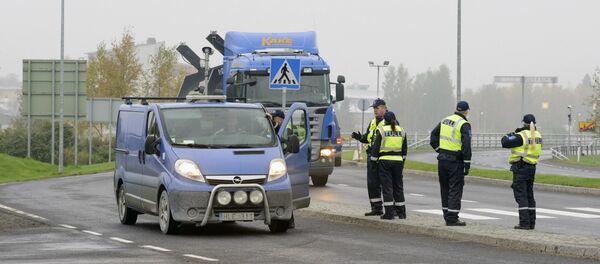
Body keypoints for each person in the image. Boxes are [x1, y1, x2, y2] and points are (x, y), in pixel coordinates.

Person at [430, 101, 472, 226]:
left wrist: (439, 150)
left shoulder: (445, 120)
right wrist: (467, 163)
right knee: (455, 189)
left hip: (442, 160)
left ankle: (446, 215)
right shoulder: (464, 124)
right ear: (466, 111)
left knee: (445, 188)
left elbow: (433, 136)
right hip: (455, 161)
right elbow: (466, 145)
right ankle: (452, 217)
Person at [501, 114, 542, 230]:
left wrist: (510, 134)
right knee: (529, 195)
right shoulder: (538, 135)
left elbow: (504, 142)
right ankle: (531, 222)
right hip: (532, 168)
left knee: (521, 196)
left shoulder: (521, 136)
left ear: (523, 123)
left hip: (520, 168)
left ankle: (524, 223)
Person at [351, 98, 387, 216]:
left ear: (383, 108)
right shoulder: (372, 122)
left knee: (386, 184)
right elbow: (367, 137)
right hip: (371, 157)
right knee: (372, 184)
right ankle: (376, 208)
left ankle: (391, 210)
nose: (375, 111)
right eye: (374, 109)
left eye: (377, 108)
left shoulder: (389, 121)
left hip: (382, 157)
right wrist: (359, 137)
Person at [371, 112, 408, 220]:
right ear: (395, 119)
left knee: (387, 188)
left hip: (384, 161)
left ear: (385, 120)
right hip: (398, 161)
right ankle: (402, 213)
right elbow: (404, 150)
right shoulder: (402, 130)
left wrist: (374, 163)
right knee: (398, 187)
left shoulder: (382, 130)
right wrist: (402, 162)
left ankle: (389, 213)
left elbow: (375, 149)